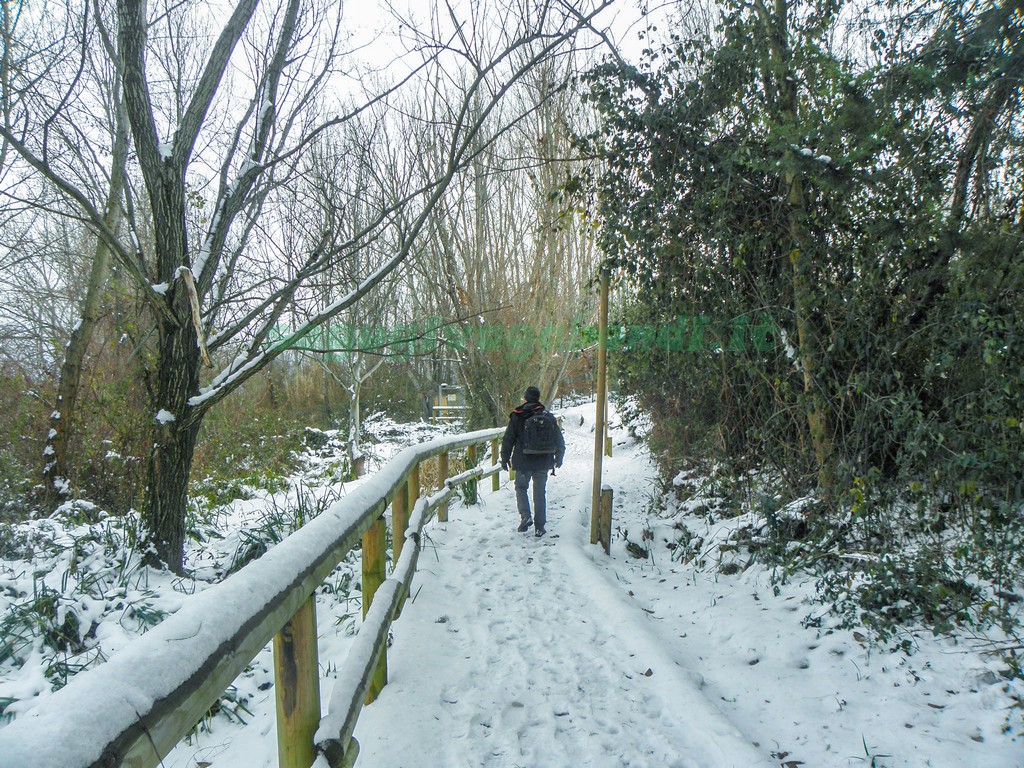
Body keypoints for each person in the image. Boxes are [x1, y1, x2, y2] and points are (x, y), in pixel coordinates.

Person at [500, 386, 565, 537]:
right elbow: (558, 438)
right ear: (538, 398)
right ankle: (540, 526)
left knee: (521, 488)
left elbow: (508, 439)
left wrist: (504, 458)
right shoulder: (547, 416)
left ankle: (525, 516)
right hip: (543, 461)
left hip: (523, 461)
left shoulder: (517, 415)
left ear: (525, 398)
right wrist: (559, 457)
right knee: (540, 492)